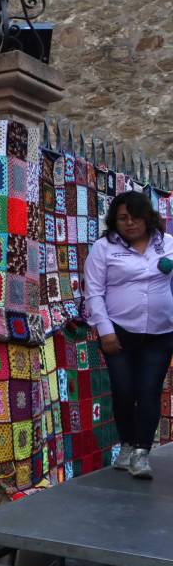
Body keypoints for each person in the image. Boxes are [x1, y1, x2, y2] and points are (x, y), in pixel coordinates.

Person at [83, 191, 173, 479]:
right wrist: (105, 331)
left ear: (148, 217)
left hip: (161, 331)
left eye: (135, 217)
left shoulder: (168, 244)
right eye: (123, 218)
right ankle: (126, 443)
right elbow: (94, 292)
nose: (130, 223)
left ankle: (140, 453)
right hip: (119, 331)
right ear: (114, 221)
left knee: (149, 390)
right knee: (123, 390)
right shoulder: (104, 248)